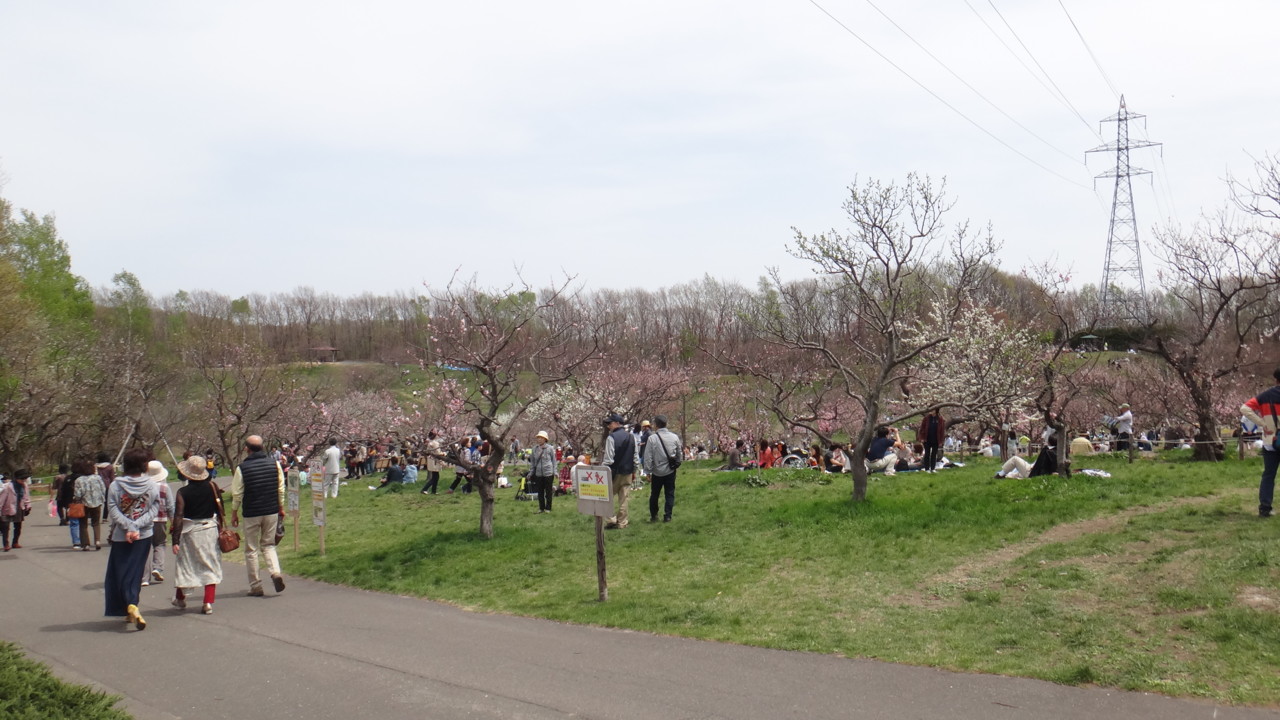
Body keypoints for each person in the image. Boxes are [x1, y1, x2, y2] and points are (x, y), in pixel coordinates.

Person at [104, 449, 160, 630]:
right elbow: (154, 509)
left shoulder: (115, 485)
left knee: (119, 573)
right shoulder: (152, 485)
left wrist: (129, 526)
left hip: (122, 536)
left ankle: (128, 606)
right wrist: (137, 526)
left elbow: (112, 509)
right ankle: (132, 604)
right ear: (144, 466)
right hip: (143, 535)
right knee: (136, 571)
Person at [231, 435, 287, 596]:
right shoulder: (274, 464)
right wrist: (280, 507)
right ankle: (275, 572)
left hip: (251, 512)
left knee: (251, 549)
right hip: (271, 510)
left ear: (246, 449)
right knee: (268, 545)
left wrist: (234, 512)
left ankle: (256, 586)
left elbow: (237, 493)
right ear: (263, 447)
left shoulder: (242, 468)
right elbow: (281, 488)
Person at [170, 455, 223, 614]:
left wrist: (175, 539)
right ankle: (208, 602)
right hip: (209, 529)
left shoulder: (182, 492)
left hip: (190, 530)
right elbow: (219, 510)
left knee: (186, 565)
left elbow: (178, 515)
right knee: (210, 564)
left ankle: (180, 598)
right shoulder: (212, 487)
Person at [1241, 369, 1280, 518]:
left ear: (1275, 379)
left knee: (1269, 475)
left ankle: (1265, 508)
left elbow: (1244, 408)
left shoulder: (1266, 396)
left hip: (1270, 440)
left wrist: (1262, 423)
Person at [642, 415, 682, 523]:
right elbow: (679, 453)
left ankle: (654, 516)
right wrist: (677, 464)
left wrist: (647, 471)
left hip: (657, 471)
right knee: (669, 493)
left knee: (654, 494)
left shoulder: (652, 438)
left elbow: (648, 457)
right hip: (670, 470)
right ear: (666, 424)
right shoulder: (674, 437)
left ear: (656, 425)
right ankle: (668, 515)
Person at [601, 414, 636, 529]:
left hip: (614, 473)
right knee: (624, 498)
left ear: (617, 423)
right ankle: (622, 522)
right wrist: (634, 470)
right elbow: (635, 456)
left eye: (610, 423)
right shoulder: (631, 437)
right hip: (628, 472)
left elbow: (609, 458)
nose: (608, 426)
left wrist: (603, 470)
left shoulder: (612, 438)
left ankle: (610, 519)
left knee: (607, 496)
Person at [144, 461, 176, 587]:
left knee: (145, 547)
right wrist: (173, 521)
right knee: (160, 544)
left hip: (145, 520)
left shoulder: (144, 486)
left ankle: (144, 578)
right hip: (161, 520)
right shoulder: (164, 487)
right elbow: (170, 506)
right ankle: (158, 568)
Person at [73, 461, 107, 550]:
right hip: (97, 503)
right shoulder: (98, 478)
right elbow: (103, 489)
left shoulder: (79, 480)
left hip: (84, 504)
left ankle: (86, 544)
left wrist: (76, 499)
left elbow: (78, 494)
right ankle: (97, 541)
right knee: (96, 523)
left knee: (83, 524)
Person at [0, 469, 33, 551]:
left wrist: (28, 506)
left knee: (18, 526)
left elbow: (26, 497)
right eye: (22, 479)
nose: (23, 480)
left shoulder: (24, 486)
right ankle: (6, 544)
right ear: (16, 478)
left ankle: (15, 542)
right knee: (5, 528)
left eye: (25, 479)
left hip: (19, 508)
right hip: (7, 508)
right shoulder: (8, 486)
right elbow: (1, 500)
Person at [528, 431, 556, 513]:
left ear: (545, 439)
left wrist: (555, 471)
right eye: (538, 437)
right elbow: (533, 462)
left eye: (541, 438)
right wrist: (531, 473)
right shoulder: (534, 449)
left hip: (548, 473)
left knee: (548, 491)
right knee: (540, 492)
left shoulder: (550, 448)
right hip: (538, 473)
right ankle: (541, 508)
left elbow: (554, 461)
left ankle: (548, 508)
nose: (539, 439)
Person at [58, 463, 82, 548]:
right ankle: (85, 541)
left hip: (71, 503)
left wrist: (66, 504)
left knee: (74, 523)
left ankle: (76, 542)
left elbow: (63, 491)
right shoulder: (82, 478)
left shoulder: (68, 478)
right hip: (82, 503)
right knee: (83, 523)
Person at [918, 409, 946, 473]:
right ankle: (927, 469)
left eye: (933, 409)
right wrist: (922, 438)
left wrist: (941, 441)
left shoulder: (940, 419)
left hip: (936, 439)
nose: (932, 411)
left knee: (934, 454)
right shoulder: (926, 418)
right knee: (927, 454)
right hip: (927, 439)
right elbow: (922, 428)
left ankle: (933, 468)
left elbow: (942, 431)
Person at [421, 431, 443, 495]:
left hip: (431, 460)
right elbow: (438, 452)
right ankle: (425, 489)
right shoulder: (435, 443)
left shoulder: (429, 443)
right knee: (435, 477)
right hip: (435, 461)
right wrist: (444, 453)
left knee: (435, 476)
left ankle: (433, 490)